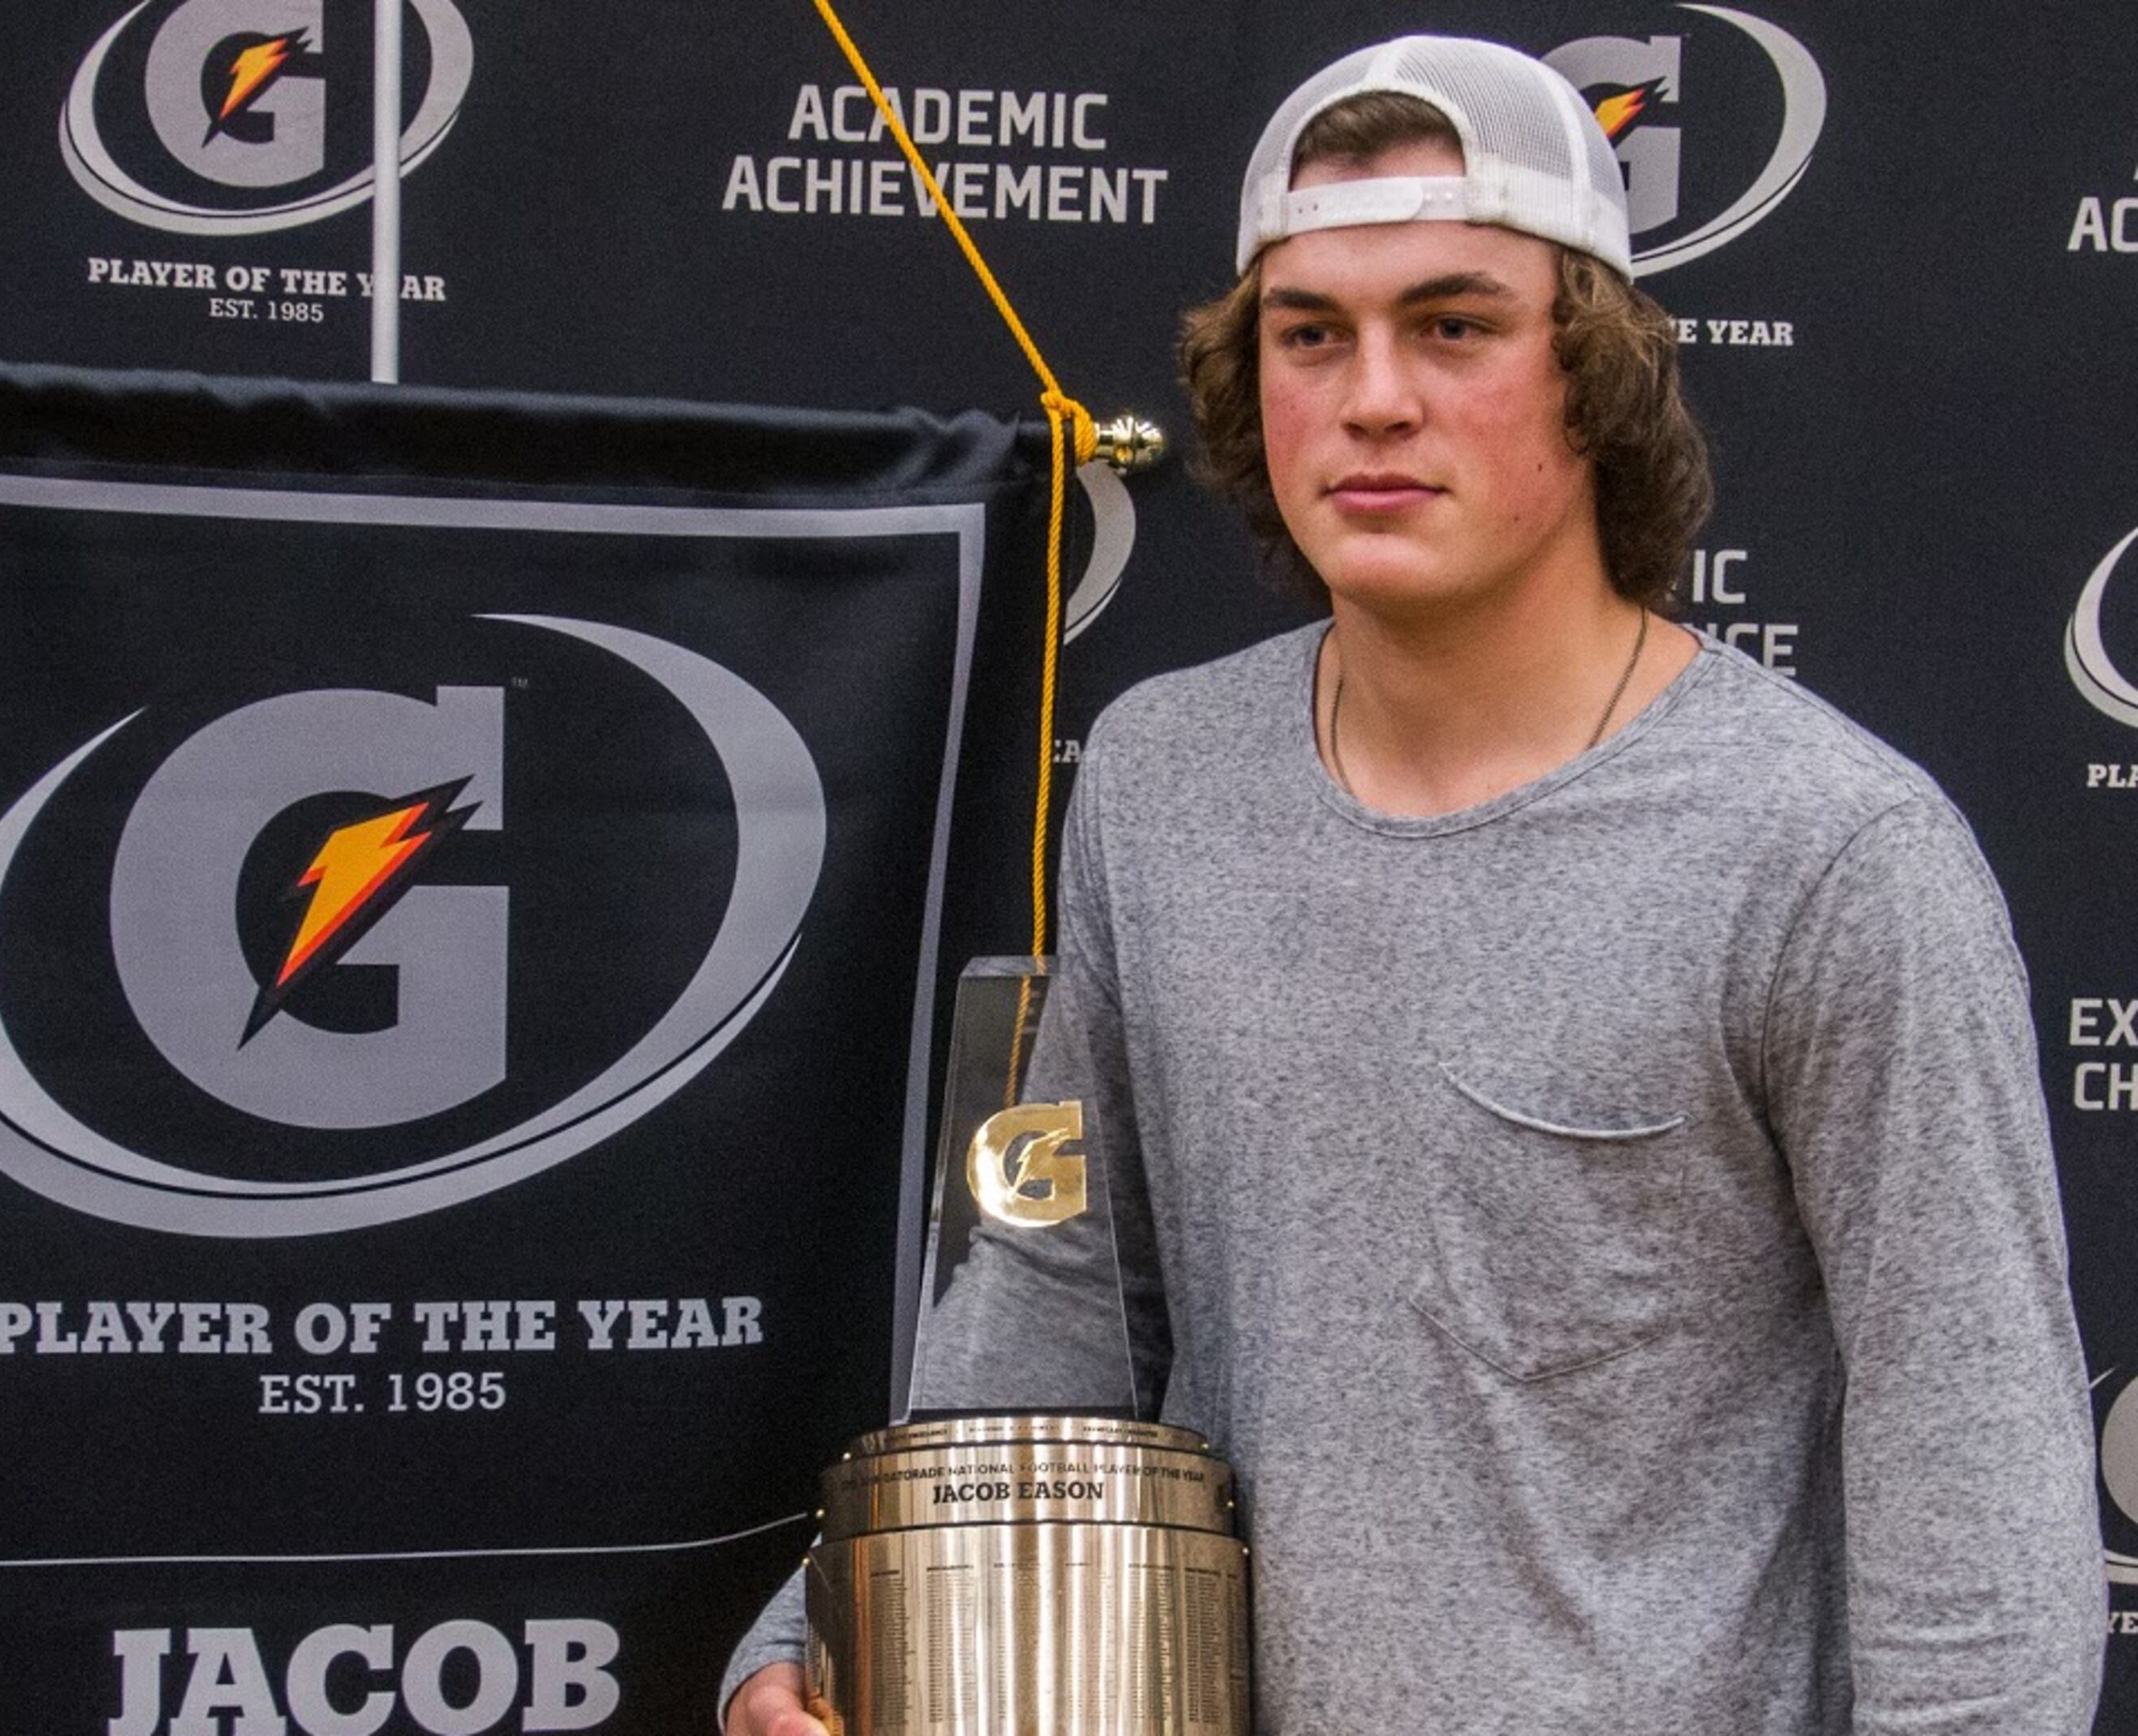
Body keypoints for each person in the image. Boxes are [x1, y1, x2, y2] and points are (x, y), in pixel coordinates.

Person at [724, 35, 2103, 1736]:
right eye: (1312, 335)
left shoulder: (1826, 855)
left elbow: (1972, 1478)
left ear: (1593, 376)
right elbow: (1059, 1281)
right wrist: (830, 1622)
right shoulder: (1162, 780)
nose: (1373, 397)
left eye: (1454, 326)